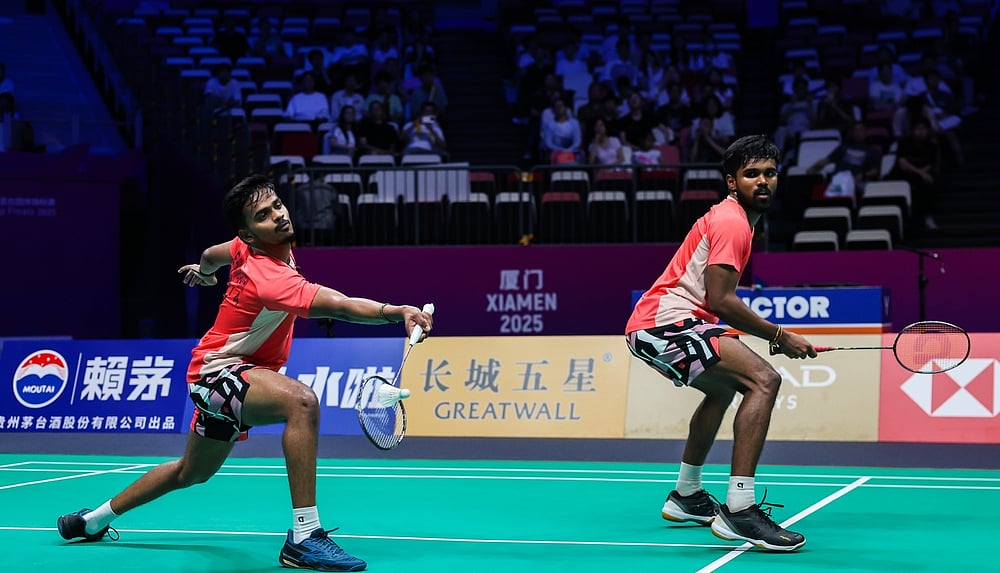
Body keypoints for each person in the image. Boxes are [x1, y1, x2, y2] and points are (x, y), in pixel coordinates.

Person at [56, 174, 434, 572]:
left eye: (277, 205)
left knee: (190, 472)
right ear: (249, 234)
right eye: (264, 215)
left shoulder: (245, 247)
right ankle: (305, 537)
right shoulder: (271, 278)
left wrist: (204, 271)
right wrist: (397, 312)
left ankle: (91, 520)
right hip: (219, 373)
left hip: (223, 375)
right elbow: (339, 306)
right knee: (302, 403)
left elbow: (211, 253)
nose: (279, 215)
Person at [626, 135, 815, 552]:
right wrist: (780, 336)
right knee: (764, 380)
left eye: (770, 173)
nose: (762, 181)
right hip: (667, 322)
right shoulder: (732, 222)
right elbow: (721, 300)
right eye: (751, 174)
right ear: (732, 181)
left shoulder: (737, 219)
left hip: (657, 324)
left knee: (724, 390)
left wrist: (773, 336)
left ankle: (687, 496)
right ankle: (740, 511)